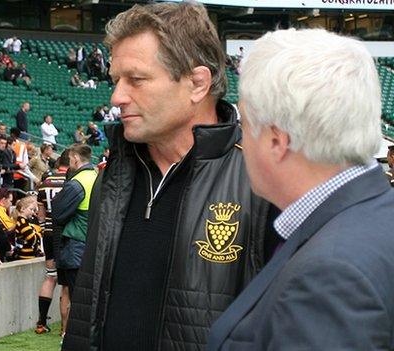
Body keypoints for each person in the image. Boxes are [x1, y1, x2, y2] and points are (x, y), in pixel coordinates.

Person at [62, 3, 274, 350]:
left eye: (137, 80)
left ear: (197, 83)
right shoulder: (113, 178)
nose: (117, 97)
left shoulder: (261, 179)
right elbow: (89, 308)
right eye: (116, 80)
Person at [207, 28, 394, 351]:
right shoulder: (374, 212)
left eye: (245, 126)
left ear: (277, 142)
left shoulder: (330, 275)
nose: (241, 141)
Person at [52, 144, 97, 294]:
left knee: (76, 295)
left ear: (76, 158)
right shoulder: (96, 176)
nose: (69, 161)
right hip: (92, 243)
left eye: (70, 158)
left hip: (76, 245)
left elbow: (58, 213)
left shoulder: (77, 182)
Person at [35, 151, 70, 336]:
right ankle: (65, 327)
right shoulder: (71, 181)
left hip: (48, 234)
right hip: (66, 234)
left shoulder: (44, 183)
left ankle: (41, 321)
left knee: (50, 277)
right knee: (67, 281)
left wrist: (43, 227)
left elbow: (40, 213)